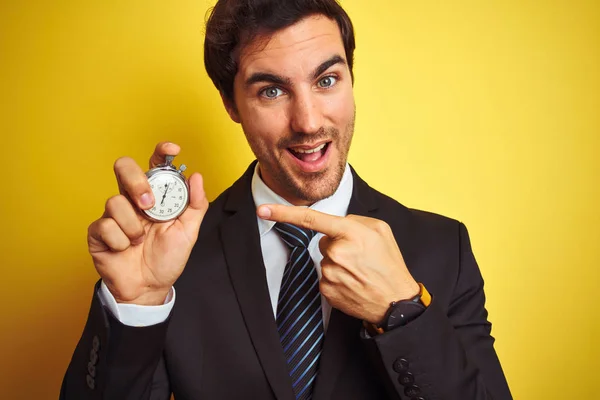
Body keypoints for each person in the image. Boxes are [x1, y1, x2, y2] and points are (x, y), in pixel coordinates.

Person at [60, 0, 512, 399]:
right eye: (271, 91)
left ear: (351, 79)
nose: (309, 121)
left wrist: (402, 310)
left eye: (327, 80)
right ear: (231, 104)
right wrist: (138, 304)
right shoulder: (173, 256)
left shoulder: (442, 248)